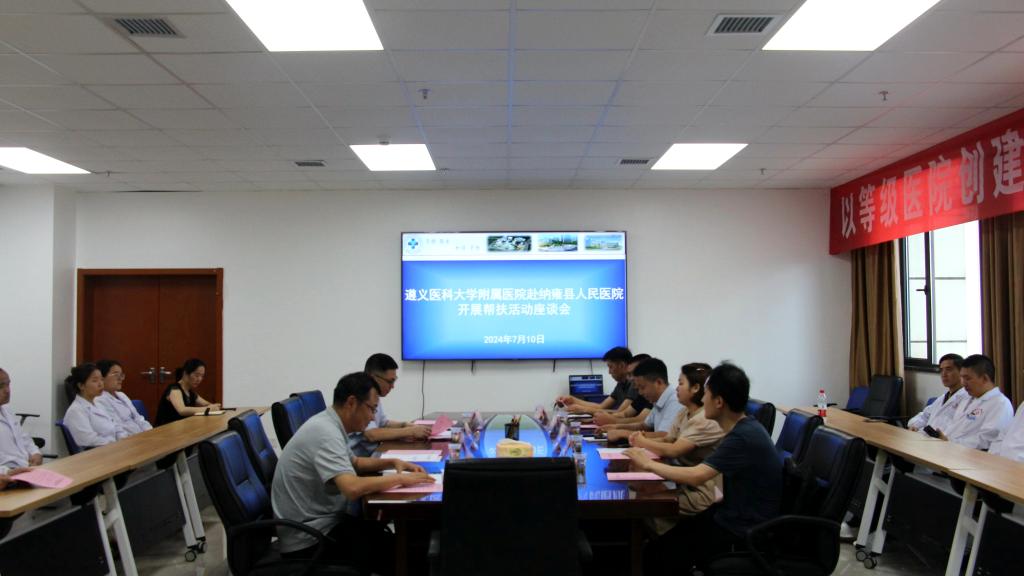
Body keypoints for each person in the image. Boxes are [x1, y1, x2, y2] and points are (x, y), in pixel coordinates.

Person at [625, 362, 783, 575]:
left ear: (719, 402)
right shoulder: (743, 429)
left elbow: (697, 475)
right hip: (728, 514)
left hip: (742, 528)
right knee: (658, 548)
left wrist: (647, 463)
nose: (702, 399)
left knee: (659, 554)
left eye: (706, 394)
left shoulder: (742, 437)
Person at [273, 371, 434, 575]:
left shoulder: (330, 424)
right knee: (407, 557)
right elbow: (352, 488)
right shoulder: (325, 433)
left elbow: (355, 463)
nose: (373, 417)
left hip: (323, 523)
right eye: (371, 409)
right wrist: (401, 478)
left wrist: (393, 462)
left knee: (408, 544)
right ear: (351, 403)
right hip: (310, 541)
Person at [630, 362, 722, 532]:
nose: (677, 388)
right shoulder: (684, 412)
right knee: (641, 490)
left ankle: (660, 542)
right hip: (682, 481)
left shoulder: (704, 419)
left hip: (701, 490)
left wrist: (642, 442)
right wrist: (642, 439)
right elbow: (668, 440)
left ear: (695, 388)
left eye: (681, 383)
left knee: (643, 501)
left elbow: (674, 450)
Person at [347, 353, 431, 457]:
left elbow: (384, 423)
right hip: (356, 461)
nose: (392, 386)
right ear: (373, 378)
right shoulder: (360, 397)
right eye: (390, 381)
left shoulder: (374, 396)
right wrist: (410, 431)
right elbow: (371, 434)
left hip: (371, 455)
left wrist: (404, 425)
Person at [937, 354, 1013, 450]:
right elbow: (954, 428)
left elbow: (986, 441)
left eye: (968, 378)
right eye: (962, 378)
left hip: (970, 455)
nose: (963, 383)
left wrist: (951, 442)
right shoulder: (966, 398)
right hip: (950, 449)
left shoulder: (1000, 404)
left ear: (985, 378)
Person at [601, 358, 683, 443]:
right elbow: (644, 426)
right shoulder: (657, 400)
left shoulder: (675, 401)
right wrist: (617, 427)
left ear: (658, 382)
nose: (640, 393)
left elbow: (665, 436)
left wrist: (624, 433)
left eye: (642, 387)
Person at [63, 363, 130, 448]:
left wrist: (124, 440)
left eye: (101, 379)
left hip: (114, 448)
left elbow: (116, 426)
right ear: (81, 386)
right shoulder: (76, 410)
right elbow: (88, 440)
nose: (101, 384)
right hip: (98, 452)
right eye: (95, 381)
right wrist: (115, 445)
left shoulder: (98, 403)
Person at [557, 347, 634, 415]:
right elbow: (601, 407)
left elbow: (621, 413)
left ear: (622, 366)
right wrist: (572, 400)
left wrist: (584, 410)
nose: (609, 372)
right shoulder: (621, 384)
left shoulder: (634, 384)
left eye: (611, 367)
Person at [907, 353, 968, 435]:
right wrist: (915, 426)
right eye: (941, 370)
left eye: (948, 369)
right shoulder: (942, 398)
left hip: (944, 440)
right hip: (925, 437)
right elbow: (924, 415)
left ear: (962, 372)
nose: (943, 374)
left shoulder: (967, 399)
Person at [592, 353, 654, 426]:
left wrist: (613, 421)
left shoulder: (654, 395)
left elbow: (641, 421)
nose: (629, 378)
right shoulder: (642, 394)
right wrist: (601, 417)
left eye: (633, 374)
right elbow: (625, 414)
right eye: (629, 374)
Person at [0, 368, 43, 474]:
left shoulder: (7, 410)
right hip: (8, 474)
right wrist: (7, 472)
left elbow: (24, 438)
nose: (7, 390)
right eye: (1, 386)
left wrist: (36, 453)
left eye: (8, 384)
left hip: (25, 469)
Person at [155, 358, 220, 426]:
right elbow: (182, 410)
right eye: (197, 375)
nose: (199, 379)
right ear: (185, 373)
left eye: (202, 376)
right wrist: (208, 409)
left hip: (181, 428)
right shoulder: (174, 389)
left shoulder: (191, 393)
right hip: (165, 429)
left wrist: (215, 406)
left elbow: (207, 404)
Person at [94, 360, 152, 435]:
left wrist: (151, 432)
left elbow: (138, 418)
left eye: (121, 375)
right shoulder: (99, 399)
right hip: (126, 439)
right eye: (116, 375)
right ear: (102, 378)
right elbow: (117, 427)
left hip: (141, 436)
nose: (120, 378)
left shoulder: (121, 395)